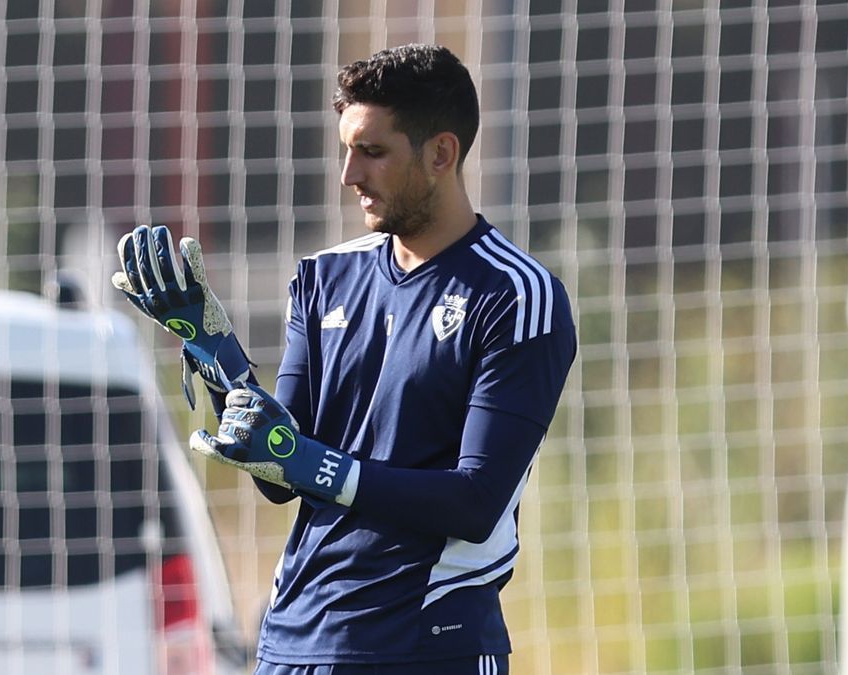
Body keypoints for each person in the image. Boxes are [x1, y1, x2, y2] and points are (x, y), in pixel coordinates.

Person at [113, 43, 576, 674]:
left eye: (373, 152)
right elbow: (279, 464)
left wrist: (320, 468)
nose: (349, 175)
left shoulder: (517, 296)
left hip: (429, 648)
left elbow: (475, 502)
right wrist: (212, 348)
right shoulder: (324, 277)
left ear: (441, 153)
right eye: (347, 151)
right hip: (295, 640)